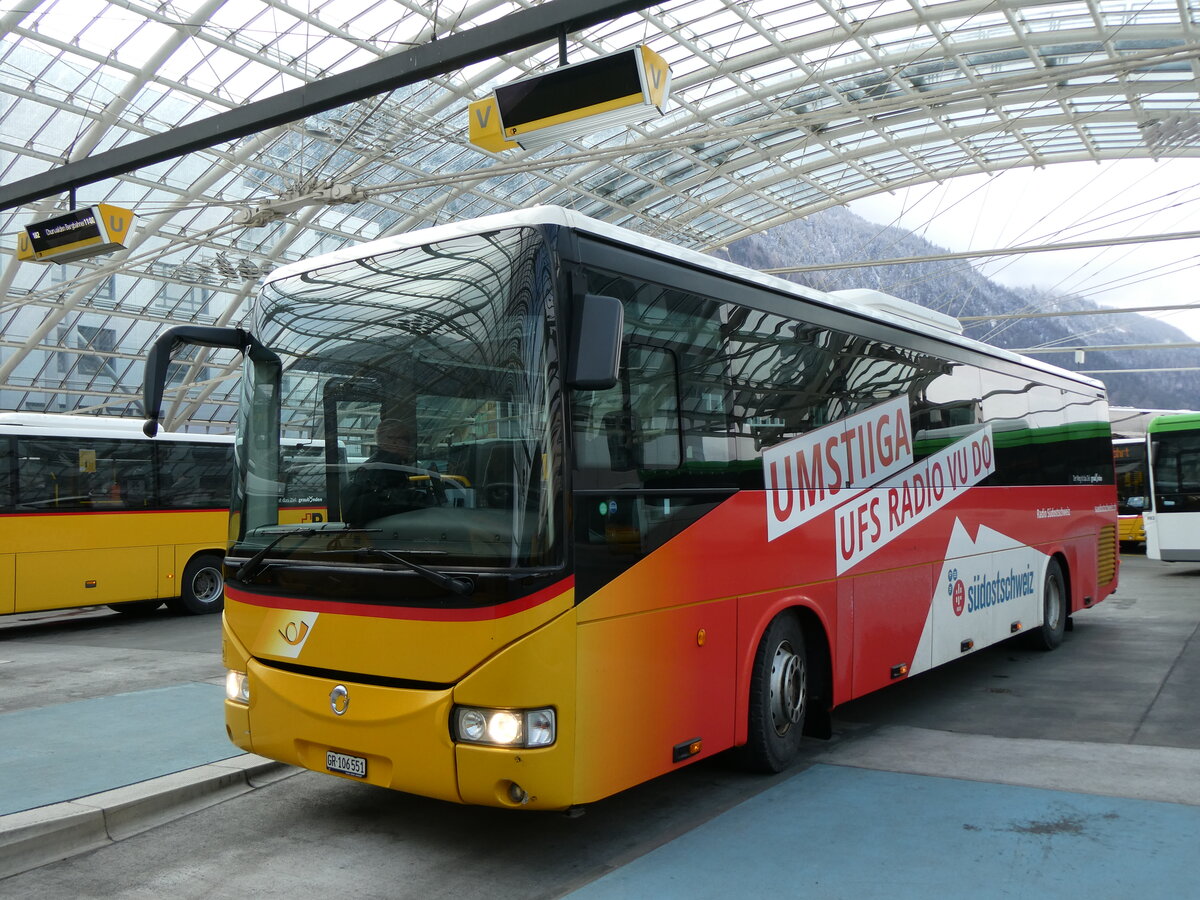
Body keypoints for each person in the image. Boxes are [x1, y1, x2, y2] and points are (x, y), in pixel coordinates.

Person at [341, 419, 435, 522]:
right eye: (406, 439)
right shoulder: (387, 468)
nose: (410, 444)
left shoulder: (377, 464)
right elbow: (395, 503)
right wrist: (424, 500)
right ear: (392, 441)